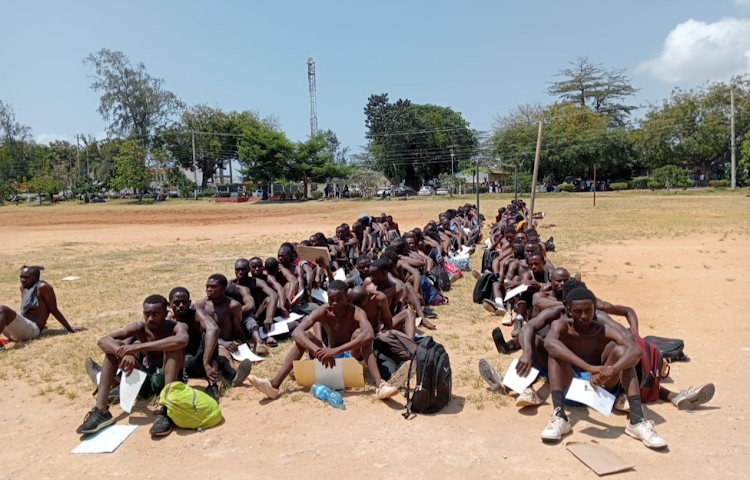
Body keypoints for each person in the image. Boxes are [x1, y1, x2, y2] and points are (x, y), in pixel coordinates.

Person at [541, 286, 667, 449]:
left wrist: (609, 372)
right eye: (578, 311)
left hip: (602, 388)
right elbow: (549, 343)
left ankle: (636, 421)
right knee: (554, 354)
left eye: (588, 310)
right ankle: (560, 416)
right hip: (571, 388)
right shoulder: (561, 326)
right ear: (569, 310)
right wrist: (591, 368)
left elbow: (636, 350)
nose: (584, 316)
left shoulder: (605, 329)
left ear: (595, 308)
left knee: (623, 352)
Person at [246, 281, 399, 400]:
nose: (334, 303)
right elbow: (297, 332)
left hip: (353, 358)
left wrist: (336, 350)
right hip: (328, 358)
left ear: (347, 297)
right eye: (331, 299)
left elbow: (369, 335)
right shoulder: (323, 311)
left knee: (360, 333)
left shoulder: (356, 312)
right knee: (307, 336)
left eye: (339, 299)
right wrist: (317, 351)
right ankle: (273, 385)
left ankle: (380, 386)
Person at [76, 295, 188, 437]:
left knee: (171, 346)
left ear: (166, 314)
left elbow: (181, 340)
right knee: (112, 352)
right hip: (148, 380)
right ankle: (101, 410)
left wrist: (135, 348)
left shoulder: (177, 326)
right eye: (147, 314)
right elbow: (103, 341)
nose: (150, 319)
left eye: (156, 314)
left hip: (172, 379)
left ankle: (168, 409)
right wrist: (124, 352)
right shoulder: (139, 327)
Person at [167, 287, 251, 399]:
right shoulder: (167, 321)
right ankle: (231, 375)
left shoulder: (197, 314)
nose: (181, 305)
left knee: (210, 337)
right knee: (221, 358)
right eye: (177, 303)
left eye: (184, 302)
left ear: (190, 303)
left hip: (200, 360)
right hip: (179, 365)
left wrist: (206, 362)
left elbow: (213, 329)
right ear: (169, 305)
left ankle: (214, 384)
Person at [1, 266, 85, 349]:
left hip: (32, 330)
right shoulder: (23, 287)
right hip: (20, 330)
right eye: (21, 277)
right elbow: (25, 310)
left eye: (26, 277)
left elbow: (53, 309)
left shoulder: (43, 287)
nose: (23, 280)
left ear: (37, 276)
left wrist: (69, 328)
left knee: (3, 309)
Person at [195, 274, 258, 381]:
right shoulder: (201, 305)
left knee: (224, 352)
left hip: (225, 341)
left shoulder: (233, 306)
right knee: (224, 354)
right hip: (207, 341)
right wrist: (221, 343)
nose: (209, 290)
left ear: (223, 288)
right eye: (207, 286)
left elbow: (236, 327)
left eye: (213, 287)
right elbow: (199, 332)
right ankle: (235, 376)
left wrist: (245, 343)